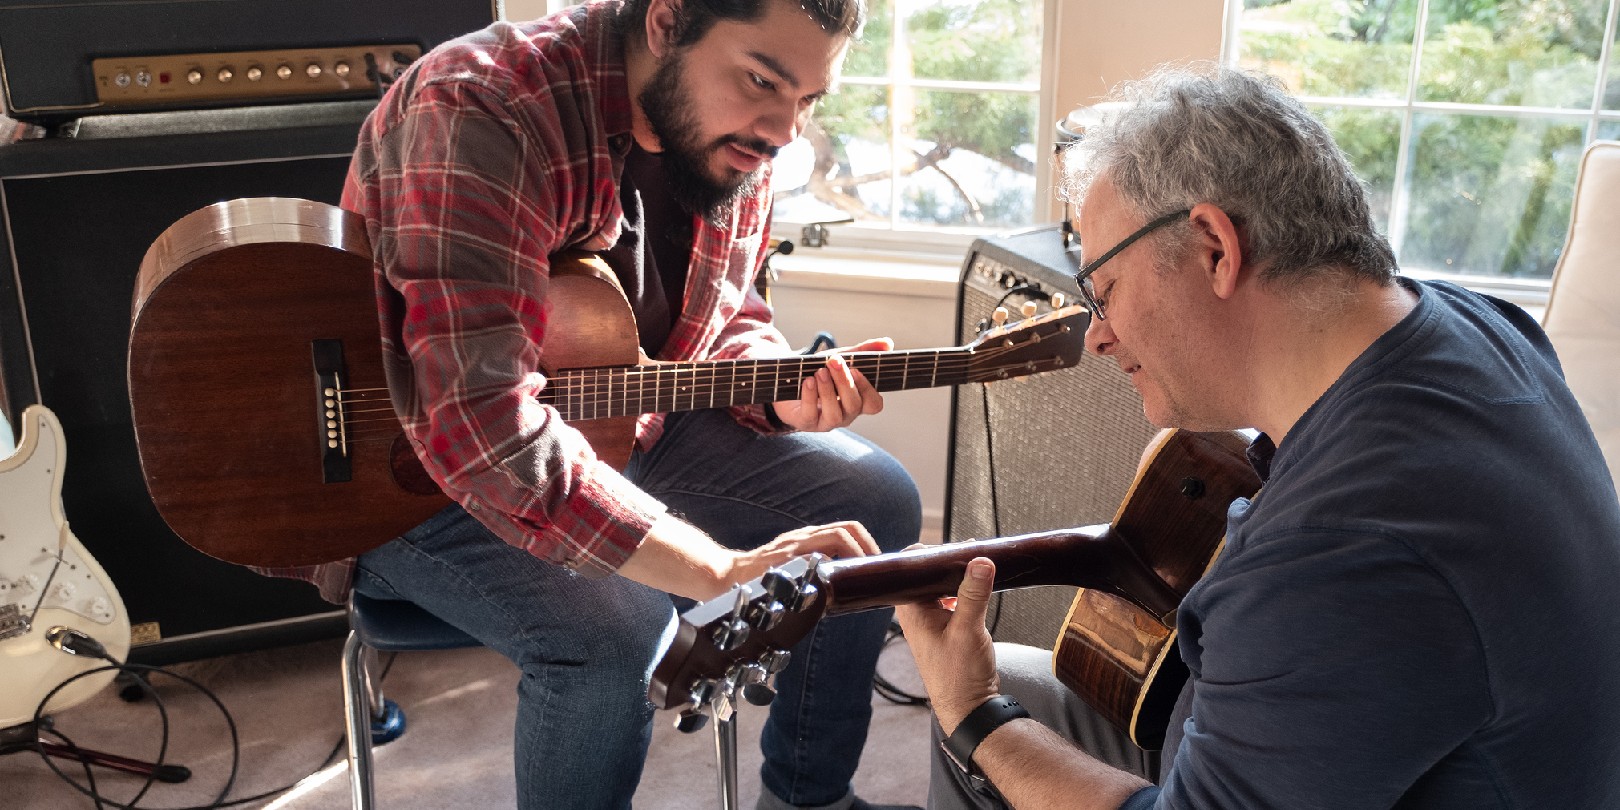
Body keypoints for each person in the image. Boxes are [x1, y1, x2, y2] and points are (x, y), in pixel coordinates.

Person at [896, 63, 1620, 809]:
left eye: (1102, 291)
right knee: (1014, 676)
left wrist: (976, 714)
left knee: (978, 714)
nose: (1100, 337)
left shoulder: (1345, 549)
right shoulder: (1474, 325)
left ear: (1215, 245)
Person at [255, 1, 925, 808]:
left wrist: (782, 398)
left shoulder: (740, 141)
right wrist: (716, 567)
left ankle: (807, 798)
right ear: (667, 20)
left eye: (809, 100)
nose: (784, 130)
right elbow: (482, 428)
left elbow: (728, 320)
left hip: (617, 429)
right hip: (404, 470)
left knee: (876, 497)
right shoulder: (479, 108)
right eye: (761, 80)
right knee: (616, 635)